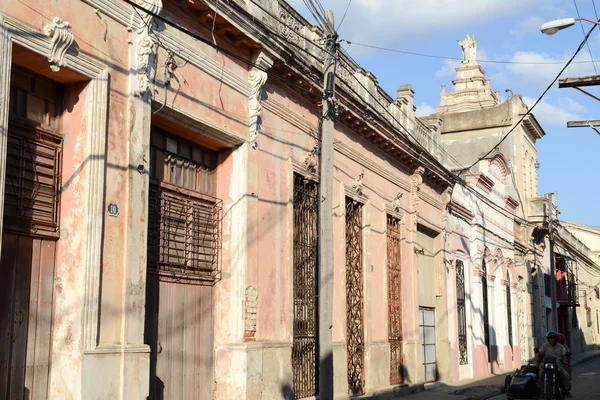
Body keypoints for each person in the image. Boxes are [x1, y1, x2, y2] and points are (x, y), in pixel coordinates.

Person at [537, 331, 572, 397]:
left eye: (553, 338)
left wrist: (565, 359)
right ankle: (540, 388)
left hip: (557, 363)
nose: (551, 339)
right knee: (541, 372)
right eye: (550, 338)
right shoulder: (544, 345)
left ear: (555, 338)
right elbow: (540, 353)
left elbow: (564, 355)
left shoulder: (561, 346)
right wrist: (539, 355)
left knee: (566, 374)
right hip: (546, 363)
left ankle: (566, 389)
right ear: (548, 339)